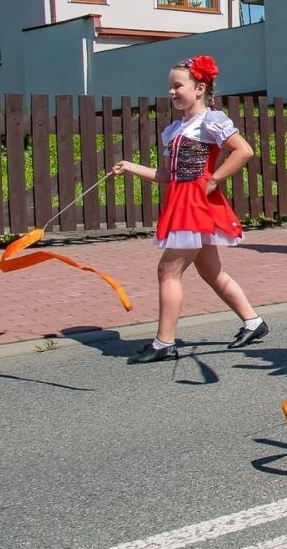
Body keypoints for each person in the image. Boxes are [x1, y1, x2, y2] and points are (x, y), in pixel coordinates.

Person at [110, 56, 265, 364]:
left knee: (168, 271)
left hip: (195, 205)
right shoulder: (176, 129)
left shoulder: (210, 121)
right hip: (182, 200)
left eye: (177, 85)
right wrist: (130, 167)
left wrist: (215, 179)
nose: (171, 91)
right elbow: (167, 175)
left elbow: (244, 150)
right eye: (170, 86)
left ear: (199, 88)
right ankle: (254, 322)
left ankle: (164, 342)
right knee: (210, 271)